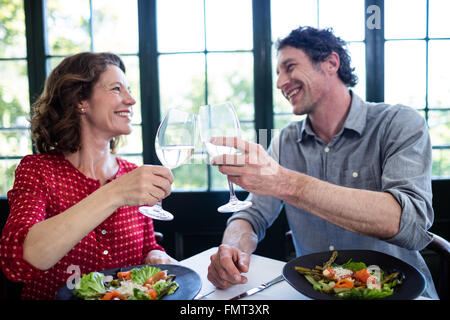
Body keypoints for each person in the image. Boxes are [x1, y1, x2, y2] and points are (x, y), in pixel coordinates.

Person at [206, 26, 438, 299]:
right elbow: (252, 214)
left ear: (331, 63)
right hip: (318, 293)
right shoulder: (285, 141)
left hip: (398, 292)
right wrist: (232, 248)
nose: (280, 82)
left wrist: (284, 182)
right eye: (278, 73)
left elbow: (407, 222)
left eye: (289, 67)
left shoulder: (399, 123)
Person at [0, 52, 176, 300]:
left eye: (129, 89)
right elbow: (17, 262)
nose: (132, 100)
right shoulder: (38, 171)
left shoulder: (132, 175)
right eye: (117, 89)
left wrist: (154, 255)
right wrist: (115, 193)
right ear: (80, 99)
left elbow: (148, 246)